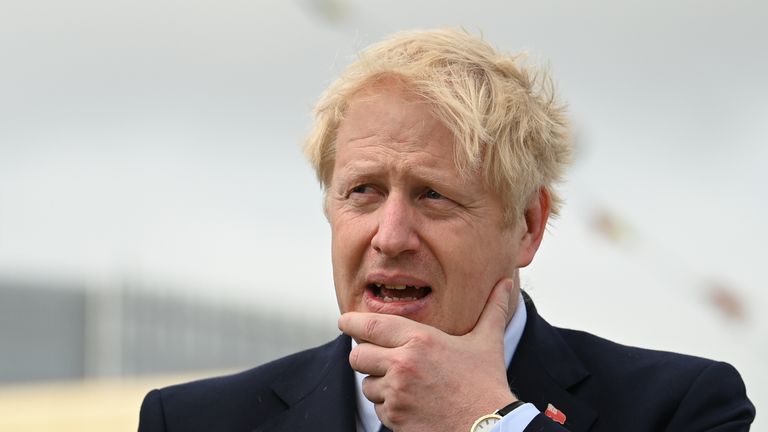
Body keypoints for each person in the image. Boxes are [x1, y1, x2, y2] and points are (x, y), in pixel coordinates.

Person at [138, 28, 755, 431]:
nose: (391, 235)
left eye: (433, 196)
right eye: (363, 192)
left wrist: (489, 418)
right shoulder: (193, 421)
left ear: (528, 225)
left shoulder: (684, 408)